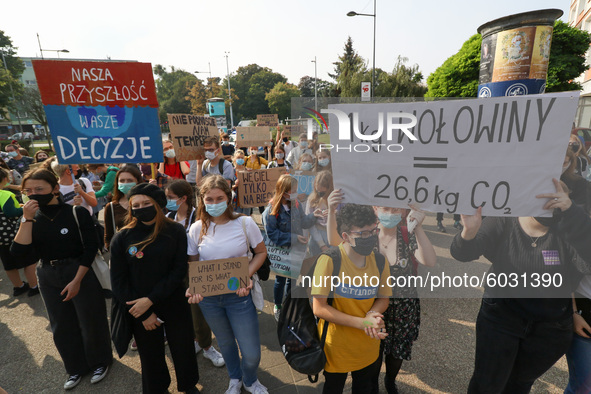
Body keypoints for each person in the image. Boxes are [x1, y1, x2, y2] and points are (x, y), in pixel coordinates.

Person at [450, 181, 591, 393]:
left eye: (554, 201)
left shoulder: (567, 229)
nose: (547, 206)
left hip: (549, 329)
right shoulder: (504, 220)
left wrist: (572, 214)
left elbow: (584, 264)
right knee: (487, 383)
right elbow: (463, 253)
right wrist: (468, 232)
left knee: (518, 385)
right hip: (501, 318)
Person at [11, 168, 112, 390]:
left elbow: (89, 248)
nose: (33, 194)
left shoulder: (76, 213)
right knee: (61, 323)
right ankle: (75, 368)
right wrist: (26, 220)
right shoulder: (31, 219)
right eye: (28, 191)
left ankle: (100, 361)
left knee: (90, 319)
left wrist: (77, 280)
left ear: (55, 189)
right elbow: (19, 253)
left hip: (79, 271)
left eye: (39, 189)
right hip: (47, 273)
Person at [110, 183, 200, 394]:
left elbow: (178, 271)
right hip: (139, 308)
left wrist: (151, 299)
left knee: (183, 347)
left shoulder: (176, 230)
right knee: (150, 355)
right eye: (136, 204)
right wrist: (144, 312)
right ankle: (157, 388)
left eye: (147, 203)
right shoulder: (122, 238)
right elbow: (119, 282)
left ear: (159, 204)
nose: (141, 208)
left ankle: (188, 384)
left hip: (173, 300)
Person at [186, 175, 269, 394]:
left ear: (229, 197)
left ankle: (250, 380)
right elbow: (194, 266)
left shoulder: (244, 223)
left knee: (251, 352)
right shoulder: (196, 229)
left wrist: (246, 276)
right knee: (226, 343)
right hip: (210, 301)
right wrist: (194, 287)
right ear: (202, 200)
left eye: (219, 198)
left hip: (239, 297)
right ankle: (235, 379)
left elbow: (260, 253)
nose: (214, 203)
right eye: (209, 199)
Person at [311, 203, 390, 394]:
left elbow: (384, 298)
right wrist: (362, 323)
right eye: (363, 234)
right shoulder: (329, 261)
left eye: (373, 231)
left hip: (368, 347)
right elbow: (319, 308)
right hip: (336, 347)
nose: (370, 237)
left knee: (364, 388)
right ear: (345, 236)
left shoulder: (379, 261)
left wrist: (372, 314)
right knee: (333, 388)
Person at [164, 179, 225, 368]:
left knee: (198, 313)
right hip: (174, 273)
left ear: (183, 198)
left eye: (171, 197)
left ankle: (207, 347)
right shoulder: (167, 215)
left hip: (194, 271)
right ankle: (191, 342)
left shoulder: (198, 219)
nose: (168, 201)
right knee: (181, 313)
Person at [263, 174, 323, 321]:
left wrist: (313, 216)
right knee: (280, 280)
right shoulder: (271, 209)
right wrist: (295, 238)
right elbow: (272, 234)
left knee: (292, 280)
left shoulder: (295, 204)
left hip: (295, 251)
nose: (296, 193)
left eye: (296, 190)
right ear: (283, 191)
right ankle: (278, 306)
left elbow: (303, 221)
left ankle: (288, 303)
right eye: (293, 190)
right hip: (282, 251)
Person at [0, 168, 38, 297]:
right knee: (29, 260)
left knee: (9, 264)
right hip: (14, 235)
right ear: (5, 179)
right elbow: (11, 213)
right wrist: (25, 209)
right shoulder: (4, 194)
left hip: (1, 239)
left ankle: (19, 286)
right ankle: (34, 286)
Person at [104, 165, 143, 250]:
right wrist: (114, 252)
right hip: (122, 254)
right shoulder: (111, 206)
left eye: (130, 180)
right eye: (122, 181)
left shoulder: (146, 204)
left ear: (137, 181)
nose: (125, 183)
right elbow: (108, 237)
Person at [306, 171, 333, 256]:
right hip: (316, 238)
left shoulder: (336, 200)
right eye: (318, 191)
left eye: (323, 192)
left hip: (333, 236)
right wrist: (322, 245)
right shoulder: (312, 200)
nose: (320, 194)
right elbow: (309, 223)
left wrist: (333, 214)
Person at [561, 148, 591, 214]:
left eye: (564, 163)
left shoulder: (579, 182)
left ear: (570, 163)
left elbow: (583, 210)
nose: (560, 166)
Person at [231, 150, 252, 216]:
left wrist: (252, 174)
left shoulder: (247, 170)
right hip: (235, 202)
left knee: (246, 220)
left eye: (242, 158)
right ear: (234, 159)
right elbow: (226, 187)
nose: (240, 159)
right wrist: (235, 185)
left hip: (246, 201)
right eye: (238, 157)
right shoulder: (231, 171)